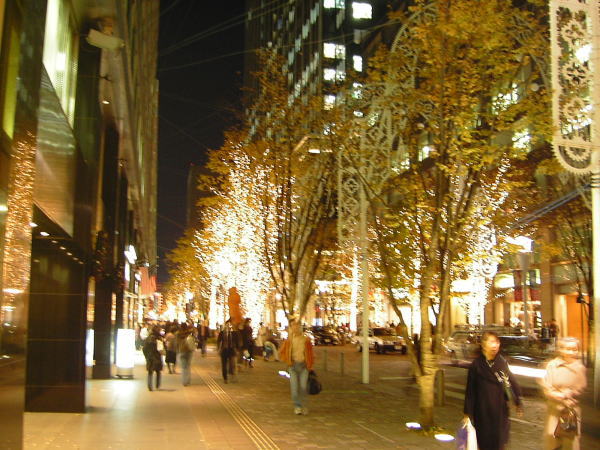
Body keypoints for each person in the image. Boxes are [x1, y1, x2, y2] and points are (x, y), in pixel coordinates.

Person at [464, 331, 523, 450]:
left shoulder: (501, 362)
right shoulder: (476, 365)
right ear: (483, 344)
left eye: (497, 342)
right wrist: (467, 413)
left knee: (499, 443)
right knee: (484, 442)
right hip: (482, 412)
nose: (495, 345)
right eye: (492, 342)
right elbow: (470, 391)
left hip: (500, 411)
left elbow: (511, 381)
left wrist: (518, 401)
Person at [540, 337, 587, 450]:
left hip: (571, 412)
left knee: (570, 443)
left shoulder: (580, 368)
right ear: (561, 350)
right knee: (552, 440)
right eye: (568, 349)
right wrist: (555, 394)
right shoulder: (552, 365)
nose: (571, 352)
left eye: (574, 349)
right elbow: (547, 386)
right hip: (554, 410)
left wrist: (567, 394)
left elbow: (581, 388)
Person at [280, 319, 314, 415]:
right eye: (293, 325)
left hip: (304, 366)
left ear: (300, 327)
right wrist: (288, 360)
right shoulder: (289, 340)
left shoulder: (306, 340)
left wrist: (310, 365)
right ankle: (297, 406)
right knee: (294, 388)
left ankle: (304, 405)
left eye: (297, 325)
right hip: (293, 367)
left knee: (303, 387)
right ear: (291, 327)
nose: (295, 327)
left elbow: (310, 353)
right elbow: (282, 352)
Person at [217, 319, 240, 383]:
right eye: (227, 325)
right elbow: (218, 341)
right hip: (224, 350)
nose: (228, 326)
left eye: (230, 325)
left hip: (231, 350)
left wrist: (237, 350)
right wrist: (219, 349)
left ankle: (233, 376)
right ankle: (225, 378)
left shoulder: (234, 333)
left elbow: (237, 342)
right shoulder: (222, 333)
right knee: (224, 365)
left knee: (232, 364)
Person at [142, 326, 163, 391]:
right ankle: (157, 385)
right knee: (158, 371)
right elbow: (161, 349)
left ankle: (149, 386)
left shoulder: (148, 338)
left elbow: (144, 349)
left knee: (150, 372)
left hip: (149, 357)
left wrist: (146, 356)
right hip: (156, 356)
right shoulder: (159, 338)